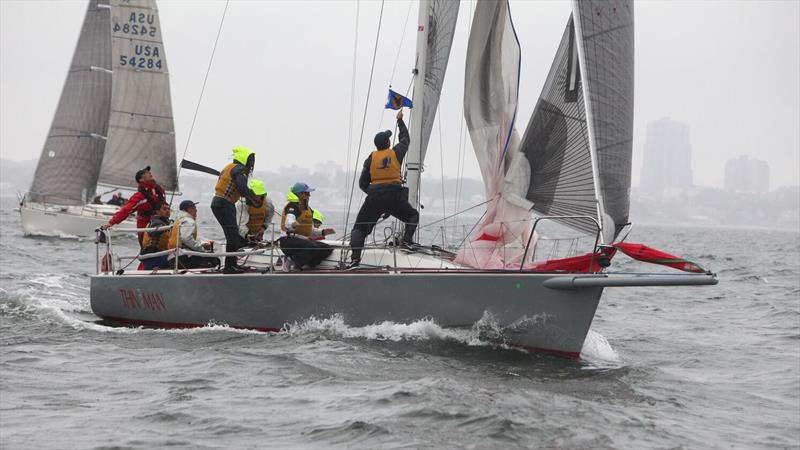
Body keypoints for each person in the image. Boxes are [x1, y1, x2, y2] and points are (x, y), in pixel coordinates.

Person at [348, 110, 419, 268]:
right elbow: (405, 139)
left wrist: (375, 195)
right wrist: (400, 121)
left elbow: (362, 183)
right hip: (394, 195)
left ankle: (354, 260)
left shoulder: (370, 158)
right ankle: (407, 242)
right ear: (388, 143)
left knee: (359, 229)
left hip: (374, 196)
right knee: (413, 216)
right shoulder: (395, 153)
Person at [211, 146, 263, 274]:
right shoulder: (239, 169)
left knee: (232, 236)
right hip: (224, 204)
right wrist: (254, 197)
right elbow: (242, 187)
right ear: (245, 159)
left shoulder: (230, 167)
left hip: (220, 203)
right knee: (233, 236)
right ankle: (229, 267)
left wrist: (251, 198)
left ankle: (232, 264)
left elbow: (240, 189)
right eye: (251, 161)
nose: (252, 164)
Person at [101, 166, 166, 246]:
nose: (150, 173)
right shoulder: (139, 196)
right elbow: (126, 210)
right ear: (141, 179)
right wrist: (111, 223)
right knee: (149, 253)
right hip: (145, 229)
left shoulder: (159, 190)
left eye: (149, 172)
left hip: (161, 227)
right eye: (146, 173)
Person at [279, 182, 335, 271]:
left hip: (302, 240)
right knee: (312, 247)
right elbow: (289, 220)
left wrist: (323, 232)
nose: (309, 195)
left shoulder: (308, 209)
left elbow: (309, 230)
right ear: (300, 194)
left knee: (327, 248)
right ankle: (289, 260)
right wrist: (292, 224)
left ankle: (308, 263)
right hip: (288, 241)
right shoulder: (292, 206)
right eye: (307, 193)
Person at [168, 200, 219, 270]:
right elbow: (185, 238)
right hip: (182, 258)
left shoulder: (178, 220)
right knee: (214, 259)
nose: (196, 210)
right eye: (193, 208)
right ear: (188, 209)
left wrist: (201, 244)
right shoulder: (189, 220)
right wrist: (201, 249)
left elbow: (185, 238)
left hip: (173, 258)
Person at [236, 179, 275, 248]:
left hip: (258, 234)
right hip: (242, 235)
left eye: (260, 195)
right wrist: (248, 235)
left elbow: (269, 216)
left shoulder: (268, 202)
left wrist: (263, 228)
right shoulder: (242, 204)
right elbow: (241, 224)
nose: (257, 198)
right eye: (255, 195)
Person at [140, 203, 173, 270]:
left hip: (161, 255)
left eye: (168, 209)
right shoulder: (155, 222)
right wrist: (162, 228)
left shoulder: (167, 222)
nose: (167, 211)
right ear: (157, 211)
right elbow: (154, 230)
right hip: (154, 258)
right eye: (164, 209)